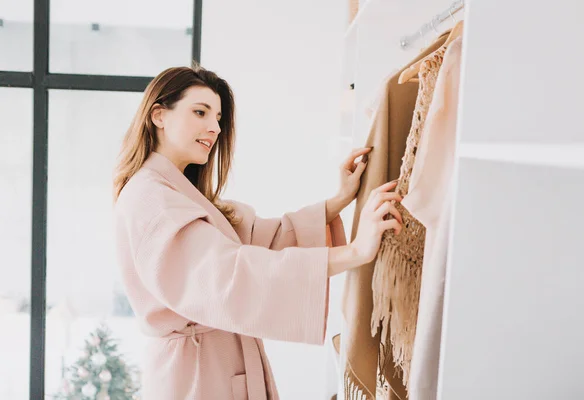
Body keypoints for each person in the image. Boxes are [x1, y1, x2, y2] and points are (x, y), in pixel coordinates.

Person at [112, 65, 402, 400]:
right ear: (159, 115)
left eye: (218, 117)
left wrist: (337, 202)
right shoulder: (150, 197)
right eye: (200, 112)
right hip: (196, 377)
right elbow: (228, 274)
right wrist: (354, 252)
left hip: (212, 364)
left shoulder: (175, 191)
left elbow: (260, 241)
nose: (214, 128)